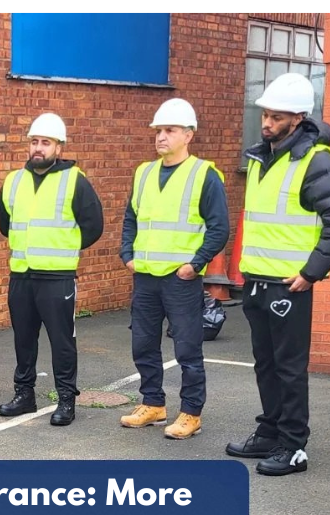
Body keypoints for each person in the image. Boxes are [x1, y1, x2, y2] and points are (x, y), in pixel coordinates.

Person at [225, 73, 330, 476]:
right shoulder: (262, 157)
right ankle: (270, 430)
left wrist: (311, 273)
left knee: (288, 367)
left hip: (289, 284)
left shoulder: (315, 160)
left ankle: (294, 445)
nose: (266, 123)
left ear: (297, 118)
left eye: (276, 117)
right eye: (265, 115)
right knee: (265, 363)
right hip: (258, 278)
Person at [119, 98, 229, 439]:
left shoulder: (204, 175)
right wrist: (127, 254)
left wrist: (195, 265)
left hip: (180, 280)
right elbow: (131, 218)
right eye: (158, 130)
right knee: (143, 344)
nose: (161, 137)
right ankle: (153, 403)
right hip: (147, 277)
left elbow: (219, 227)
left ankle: (191, 413)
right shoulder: (144, 172)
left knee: (187, 349)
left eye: (170, 130)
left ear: (189, 135)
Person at [0, 113, 104, 426]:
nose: (38, 148)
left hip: (57, 277)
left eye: (45, 142)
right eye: (34, 142)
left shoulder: (74, 180)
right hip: (22, 275)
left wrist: (63, 246)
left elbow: (93, 226)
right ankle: (24, 395)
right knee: (23, 340)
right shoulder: (13, 181)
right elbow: (5, 222)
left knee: (62, 342)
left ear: (59, 146)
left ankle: (66, 400)